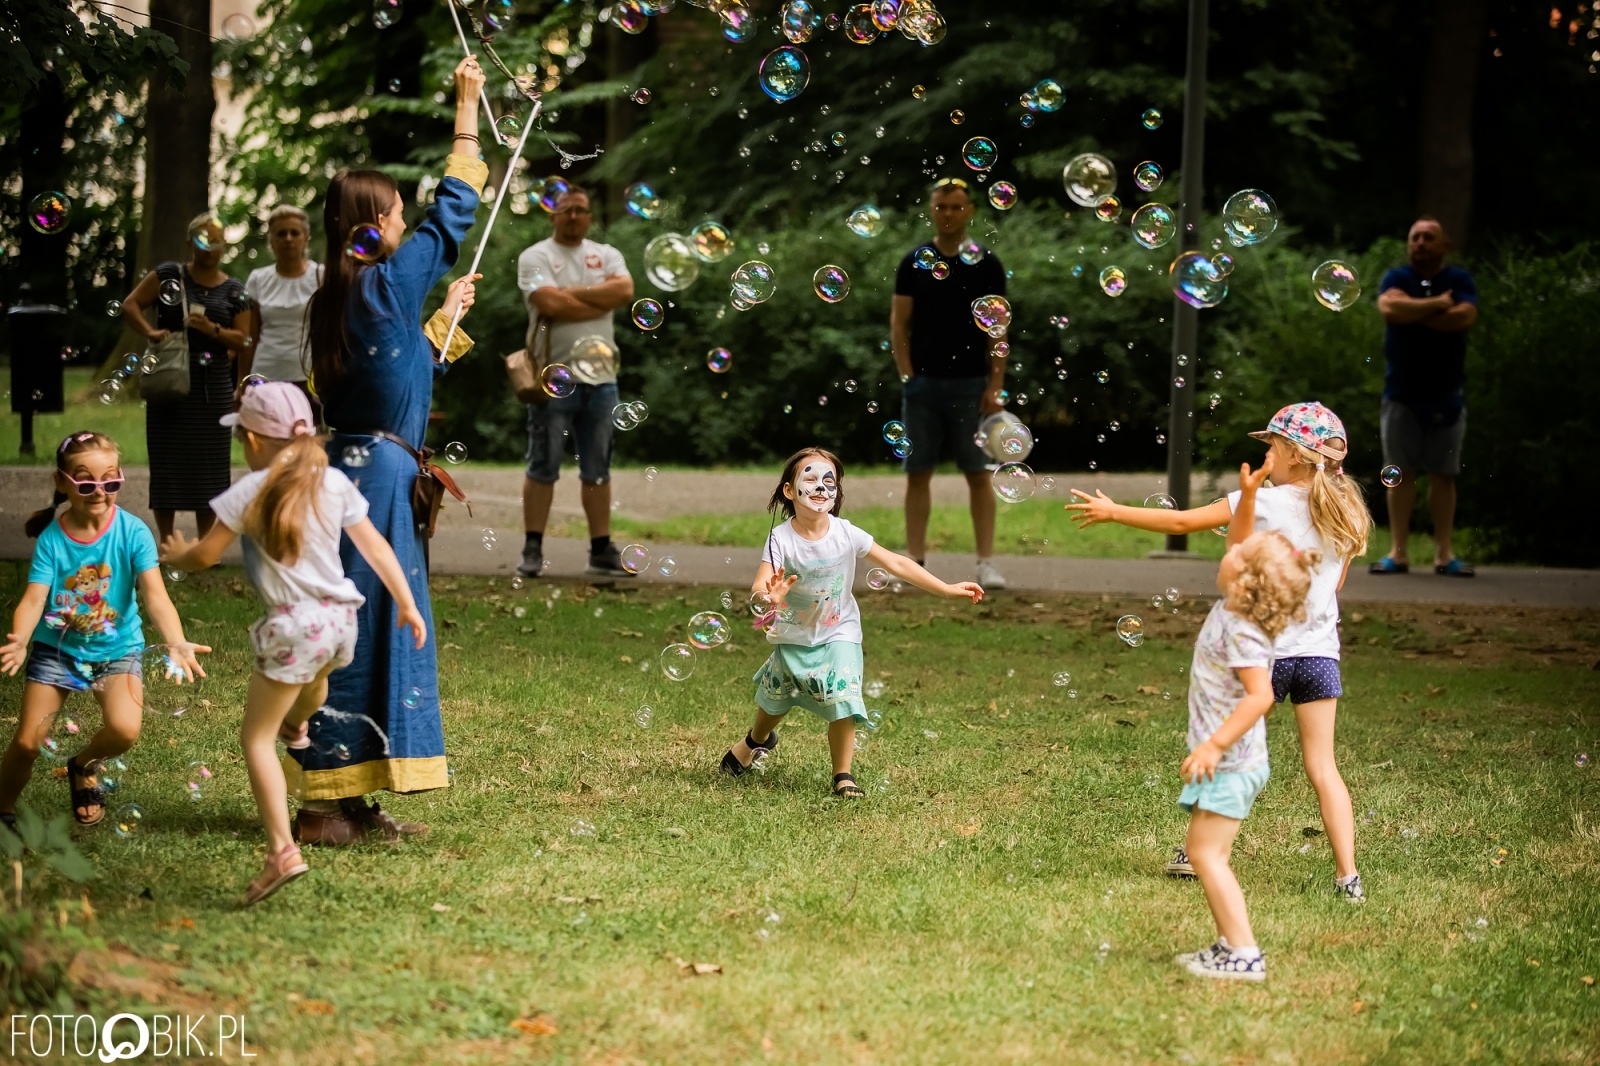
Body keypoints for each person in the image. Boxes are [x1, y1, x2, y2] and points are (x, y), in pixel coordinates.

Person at [1067, 401, 1374, 902]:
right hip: (1319, 655)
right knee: (1323, 767)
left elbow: (1181, 523)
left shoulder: (1262, 500)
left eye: (1272, 446)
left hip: (1262, 653)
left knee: (1227, 752)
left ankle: (1198, 852)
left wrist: (1113, 511)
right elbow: (1333, 585)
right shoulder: (1345, 511)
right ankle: (1348, 877)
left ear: (1293, 454)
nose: (1267, 455)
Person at [297, 54, 486, 846]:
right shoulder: (385, 283)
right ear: (374, 224)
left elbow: (386, 379)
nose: (409, 223)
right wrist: (467, 104)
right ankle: (320, 805)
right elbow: (456, 206)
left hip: (355, 469)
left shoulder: (337, 297)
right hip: (373, 485)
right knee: (365, 631)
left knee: (365, 629)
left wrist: (437, 321)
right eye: (398, 214)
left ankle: (355, 796)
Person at [158, 384, 426, 903]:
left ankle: (281, 850)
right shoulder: (333, 481)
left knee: (255, 740)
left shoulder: (250, 490)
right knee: (315, 684)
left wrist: (179, 553)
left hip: (294, 626)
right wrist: (407, 602)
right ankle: (298, 721)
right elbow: (375, 547)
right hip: (341, 623)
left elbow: (207, 556)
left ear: (254, 440)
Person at [720, 448, 985, 798]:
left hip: (840, 630)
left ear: (837, 492)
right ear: (789, 490)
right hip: (795, 632)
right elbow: (760, 585)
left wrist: (946, 589)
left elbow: (897, 563)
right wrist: (768, 596)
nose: (820, 487)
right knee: (775, 700)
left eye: (829, 481)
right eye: (810, 479)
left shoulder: (846, 533)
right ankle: (758, 739)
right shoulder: (781, 538)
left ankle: (842, 775)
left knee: (842, 697)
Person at [0, 432, 208, 831]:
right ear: (62, 483)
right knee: (27, 743)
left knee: (124, 731)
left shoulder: (133, 532)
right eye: (86, 483)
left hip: (117, 651)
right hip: (57, 650)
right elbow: (33, 599)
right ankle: (3, 807)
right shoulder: (52, 540)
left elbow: (156, 596)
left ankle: (83, 765)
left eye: (111, 481)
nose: (100, 491)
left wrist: (177, 641)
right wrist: (21, 639)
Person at [1172, 530, 1318, 981]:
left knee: (1206, 857)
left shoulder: (1242, 632)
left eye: (1238, 552)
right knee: (1206, 853)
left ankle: (1243, 952)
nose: (1230, 548)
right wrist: (1249, 498)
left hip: (1232, 764)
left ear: (1245, 580)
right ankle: (1228, 945)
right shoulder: (1232, 609)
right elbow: (1240, 538)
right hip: (1231, 762)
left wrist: (1214, 745)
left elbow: (1261, 697)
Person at [890, 177, 1009, 590]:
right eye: (941, 207)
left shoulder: (987, 265)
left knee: (978, 474)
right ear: (931, 210)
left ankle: (986, 563)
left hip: (971, 385)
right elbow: (899, 324)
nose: (949, 214)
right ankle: (915, 561)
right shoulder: (913, 263)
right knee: (917, 473)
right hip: (922, 385)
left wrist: (995, 384)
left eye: (957, 207)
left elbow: (998, 328)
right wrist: (907, 375)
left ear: (969, 211)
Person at [515, 185, 636, 579]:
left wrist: (569, 295)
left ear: (590, 216)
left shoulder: (607, 253)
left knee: (598, 467)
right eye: (566, 210)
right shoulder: (535, 256)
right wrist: (596, 300)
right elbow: (548, 303)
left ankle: (600, 550)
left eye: (581, 210)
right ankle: (533, 547)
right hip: (552, 377)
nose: (574, 216)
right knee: (543, 463)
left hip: (602, 378)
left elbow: (625, 290)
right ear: (553, 215)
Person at [122, 215, 255, 543]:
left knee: (210, 469)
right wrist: (151, 331)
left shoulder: (235, 290)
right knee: (166, 464)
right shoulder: (169, 275)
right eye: (201, 240)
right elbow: (131, 305)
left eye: (215, 240)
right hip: (169, 382)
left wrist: (213, 330)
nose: (209, 247)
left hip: (213, 389)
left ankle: (204, 546)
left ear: (224, 244)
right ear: (189, 243)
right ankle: (167, 542)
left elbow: (245, 339)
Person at [1371, 216, 1479, 577]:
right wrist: (1439, 304)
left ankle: (1444, 555)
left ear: (1445, 245)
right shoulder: (1396, 278)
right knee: (1400, 474)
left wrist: (1413, 310)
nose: (1420, 242)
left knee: (1443, 475)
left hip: (1447, 394)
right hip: (1400, 394)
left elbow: (1463, 318)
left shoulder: (1459, 280)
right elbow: (1390, 309)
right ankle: (1398, 553)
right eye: (1415, 237)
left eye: (1428, 237)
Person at [243, 205, 323, 408]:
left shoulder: (320, 276)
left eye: (294, 233)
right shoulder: (258, 279)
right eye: (281, 233)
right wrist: (241, 383)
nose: (288, 239)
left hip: (307, 377)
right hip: (265, 376)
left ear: (306, 238)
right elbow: (250, 337)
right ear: (271, 240)